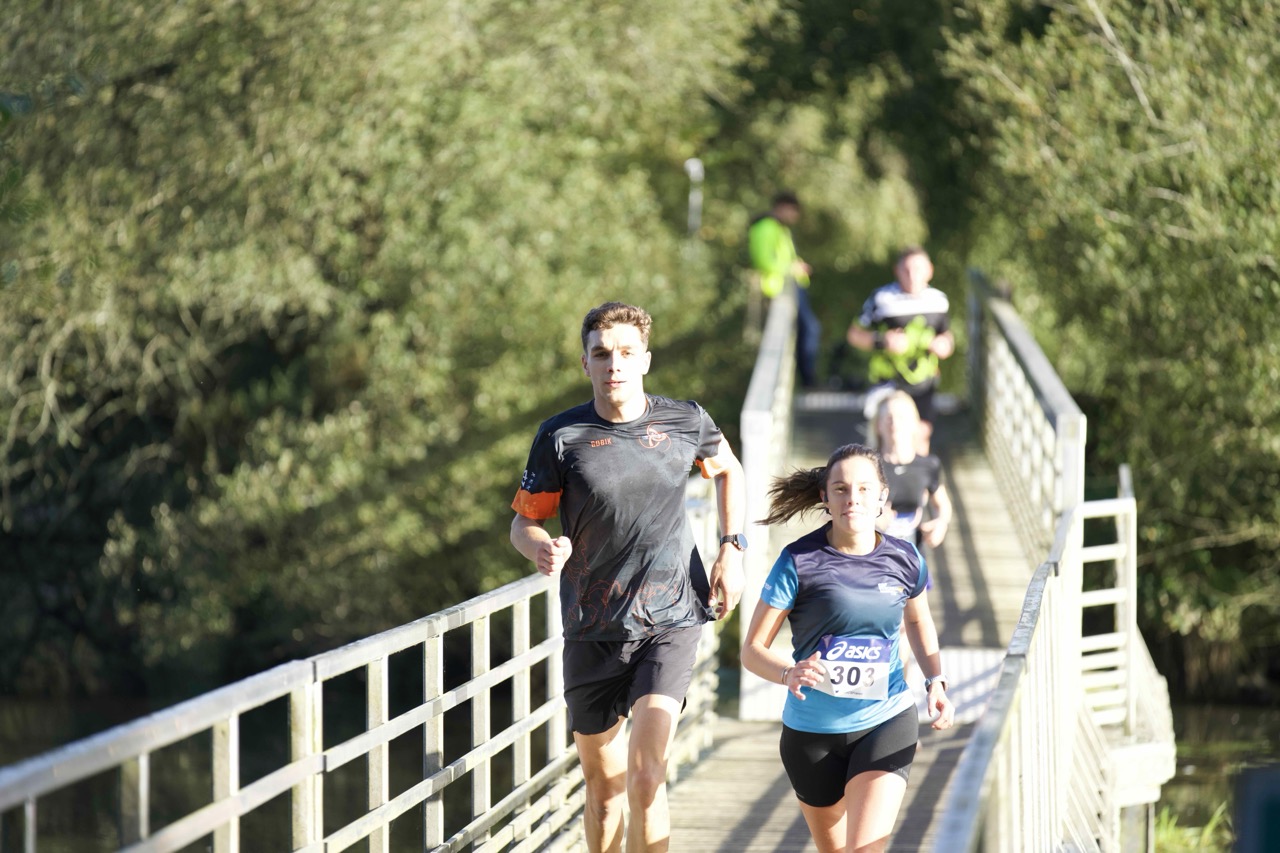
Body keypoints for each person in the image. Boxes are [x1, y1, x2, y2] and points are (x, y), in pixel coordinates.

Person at [510, 301, 747, 853]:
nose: (613, 364)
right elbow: (523, 523)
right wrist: (542, 549)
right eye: (601, 354)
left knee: (645, 777)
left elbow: (728, 469)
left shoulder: (685, 421)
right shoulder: (560, 436)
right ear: (585, 363)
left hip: (670, 619)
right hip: (591, 626)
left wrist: (731, 547)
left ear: (645, 360)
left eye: (625, 353)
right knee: (605, 791)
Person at [740, 444, 954, 853]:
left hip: (885, 720)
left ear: (882, 497)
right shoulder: (798, 561)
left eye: (863, 489)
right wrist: (788, 673)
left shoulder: (905, 558)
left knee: (864, 849)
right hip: (811, 735)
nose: (852, 498)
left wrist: (935, 680)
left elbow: (917, 621)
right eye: (840, 489)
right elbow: (752, 649)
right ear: (825, 497)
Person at [846, 247, 953, 453]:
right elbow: (853, 335)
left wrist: (944, 346)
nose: (912, 275)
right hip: (888, 380)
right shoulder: (881, 298)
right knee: (885, 436)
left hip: (923, 381)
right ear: (897, 271)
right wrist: (882, 340)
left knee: (921, 435)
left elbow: (946, 336)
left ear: (930, 270)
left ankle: (918, 474)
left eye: (918, 269)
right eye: (907, 269)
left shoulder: (939, 300)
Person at [749, 190, 821, 388]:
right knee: (807, 330)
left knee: (805, 332)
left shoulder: (780, 229)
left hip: (791, 288)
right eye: (793, 211)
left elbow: (786, 258)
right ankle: (808, 382)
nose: (795, 217)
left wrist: (798, 267)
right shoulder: (765, 227)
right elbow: (764, 261)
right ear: (783, 207)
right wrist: (792, 268)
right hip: (777, 291)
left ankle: (807, 380)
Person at [873, 391, 952, 551]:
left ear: (913, 423)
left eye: (901, 417)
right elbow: (835, 509)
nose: (894, 423)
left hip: (912, 553)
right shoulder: (866, 465)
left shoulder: (928, 465)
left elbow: (942, 505)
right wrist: (871, 518)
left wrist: (941, 524)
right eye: (888, 417)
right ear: (878, 425)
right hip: (873, 554)